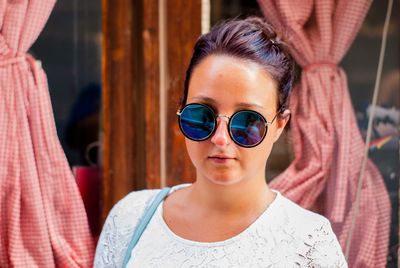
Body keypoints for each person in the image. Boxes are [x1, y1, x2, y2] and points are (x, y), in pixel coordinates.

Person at [94, 17, 347, 267]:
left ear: (279, 125)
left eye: (248, 122)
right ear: (181, 111)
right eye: (202, 115)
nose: (221, 138)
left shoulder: (310, 246)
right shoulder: (130, 220)